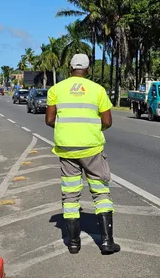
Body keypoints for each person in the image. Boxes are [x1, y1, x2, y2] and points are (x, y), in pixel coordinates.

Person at [45, 53, 121, 255]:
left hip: (67, 149)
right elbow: (107, 121)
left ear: (70, 68)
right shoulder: (97, 90)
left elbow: (49, 120)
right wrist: (93, 129)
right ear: (87, 70)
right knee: (101, 193)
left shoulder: (56, 89)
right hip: (92, 148)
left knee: (70, 194)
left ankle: (73, 243)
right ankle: (106, 242)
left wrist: (68, 130)